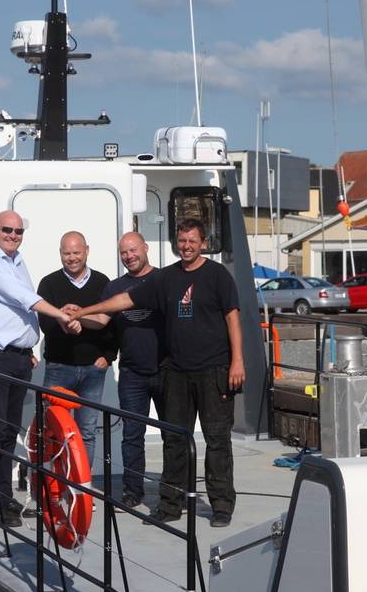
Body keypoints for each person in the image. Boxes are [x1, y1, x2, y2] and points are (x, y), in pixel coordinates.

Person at [70, 218, 245, 528]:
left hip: (214, 370)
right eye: (182, 241)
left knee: (218, 441)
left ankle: (221, 506)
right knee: (174, 442)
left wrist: (237, 362)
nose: (186, 246)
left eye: (192, 241)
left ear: (202, 242)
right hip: (176, 372)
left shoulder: (217, 275)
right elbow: (124, 300)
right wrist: (82, 312)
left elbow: (233, 318)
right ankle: (169, 506)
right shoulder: (167, 278)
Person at [0, 210, 72, 528]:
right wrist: (60, 315)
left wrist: (27, 347)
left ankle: (3, 498)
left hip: (16, 358)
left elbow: (21, 307)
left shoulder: (16, 261)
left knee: (8, 431)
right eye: (7, 230)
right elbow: (23, 298)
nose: (13, 236)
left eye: (18, 232)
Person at [70, 232, 166, 510]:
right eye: (124, 252)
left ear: (146, 247)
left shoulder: (163, 279)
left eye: (133, 250)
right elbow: (100, 320)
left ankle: (176, 492)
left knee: (173, 435)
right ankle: (133, 491)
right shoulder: (114, 287)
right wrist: (74, 316)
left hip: (166, 370)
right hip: (132, 373)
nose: (129, 256)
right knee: (132, 435)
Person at [38, 231, 117, 464]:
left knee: (87, 432)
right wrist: (64, 322)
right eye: (67, 253)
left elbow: (113, 323)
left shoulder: (103, 282)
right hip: (59, 368)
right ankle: (53, 486)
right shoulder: (49, 283)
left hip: (93, 370)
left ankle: (82, 489)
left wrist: (109, 356)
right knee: (52, 429)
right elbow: (44, 323)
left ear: (87, 251)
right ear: (60, 254)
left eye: (76, 252)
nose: (72, 258)